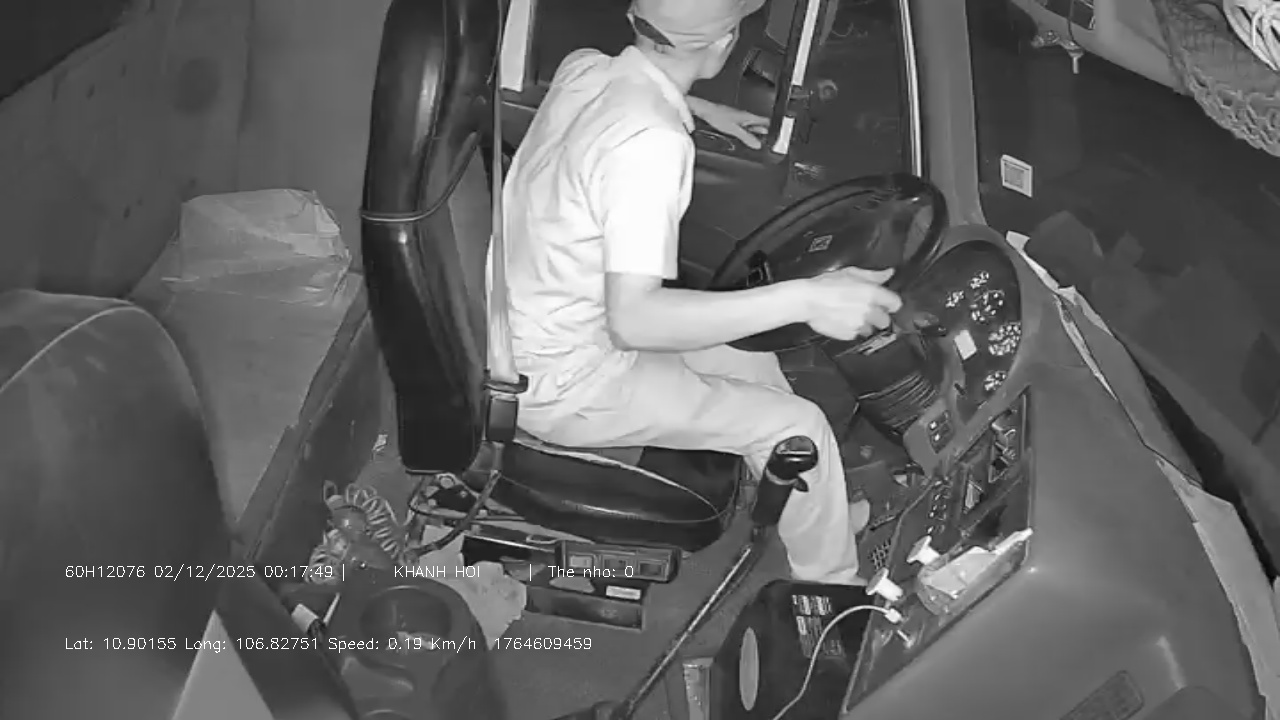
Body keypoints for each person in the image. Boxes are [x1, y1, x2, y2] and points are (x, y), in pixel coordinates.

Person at [496, 0, 902, 584]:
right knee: (800, 426)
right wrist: (808, 299)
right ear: (723, 43)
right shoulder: (650, 145)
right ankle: (832, 585)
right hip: (569, 382)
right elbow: (634, 322)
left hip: (536, 325)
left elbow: (630, 83)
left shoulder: (585, 69)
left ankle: (814, 511)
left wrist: (701, 109)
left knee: (754, 362)